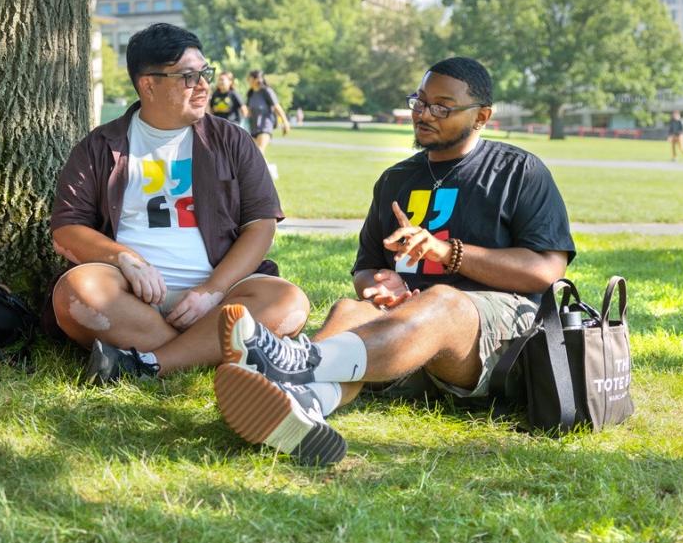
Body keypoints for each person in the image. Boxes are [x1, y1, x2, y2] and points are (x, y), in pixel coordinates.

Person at [212, 56, 576, 466]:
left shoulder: (518, 171)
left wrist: (447, 252)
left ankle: (299, 362)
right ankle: (305, 403)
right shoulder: (395, 180)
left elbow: (546, 270)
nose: (423, 114)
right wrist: (376, 286)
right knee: (351, 310)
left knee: (443, 300)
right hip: (399, 339)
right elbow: (366, 267)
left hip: (490, 341)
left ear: (482, 116)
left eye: (442, 106)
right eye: (419, 102)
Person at [50, 23, 309, 384]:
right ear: (148, 84)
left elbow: (260, 225)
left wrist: (211, 292)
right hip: (131, 299)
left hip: (220, 295)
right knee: (75, 293)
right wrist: (126, 259)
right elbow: (67, 228)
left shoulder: (232, 141)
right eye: (188, 76)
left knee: (288, 303)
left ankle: (147, 364)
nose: (204, 85)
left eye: (205, 72)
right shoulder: (100, 146)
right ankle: (215, 352)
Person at [246, 70, 291, 156]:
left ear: (257, 79)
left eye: (250, 78)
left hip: (265, 126)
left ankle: (266, 169)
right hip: (253, 127)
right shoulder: (250, 93)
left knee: (259, 151)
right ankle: (269, 169)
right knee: (254, 155)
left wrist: (285, 122)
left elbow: (277, 107)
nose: (248, 80)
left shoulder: (266, 91)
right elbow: (248, 110)